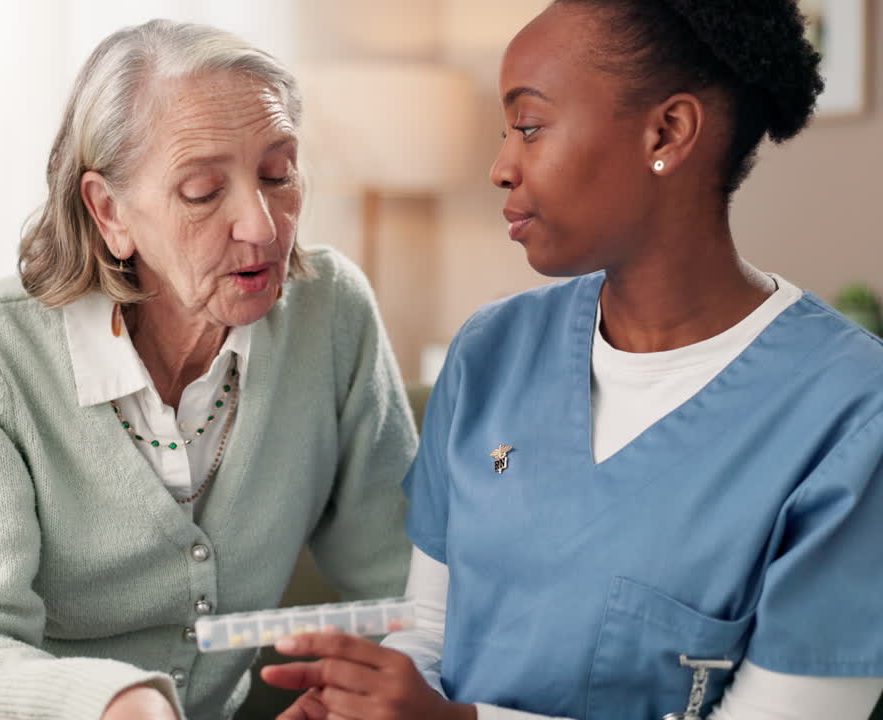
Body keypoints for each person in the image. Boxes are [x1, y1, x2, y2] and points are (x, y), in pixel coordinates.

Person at [262, 1, 883, 719]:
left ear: (667, 132)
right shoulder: (490, 351)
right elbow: (429, 631)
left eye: (529, 127)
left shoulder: (852, 413)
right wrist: (365, 703)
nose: (500, 168)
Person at [0, 19, 415, 720]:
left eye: (278, 174)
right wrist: (118, 702)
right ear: (109, 210)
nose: (263, 225)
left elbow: (403, 581)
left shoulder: (330, 314)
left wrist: (381, 692)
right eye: (203, 191)